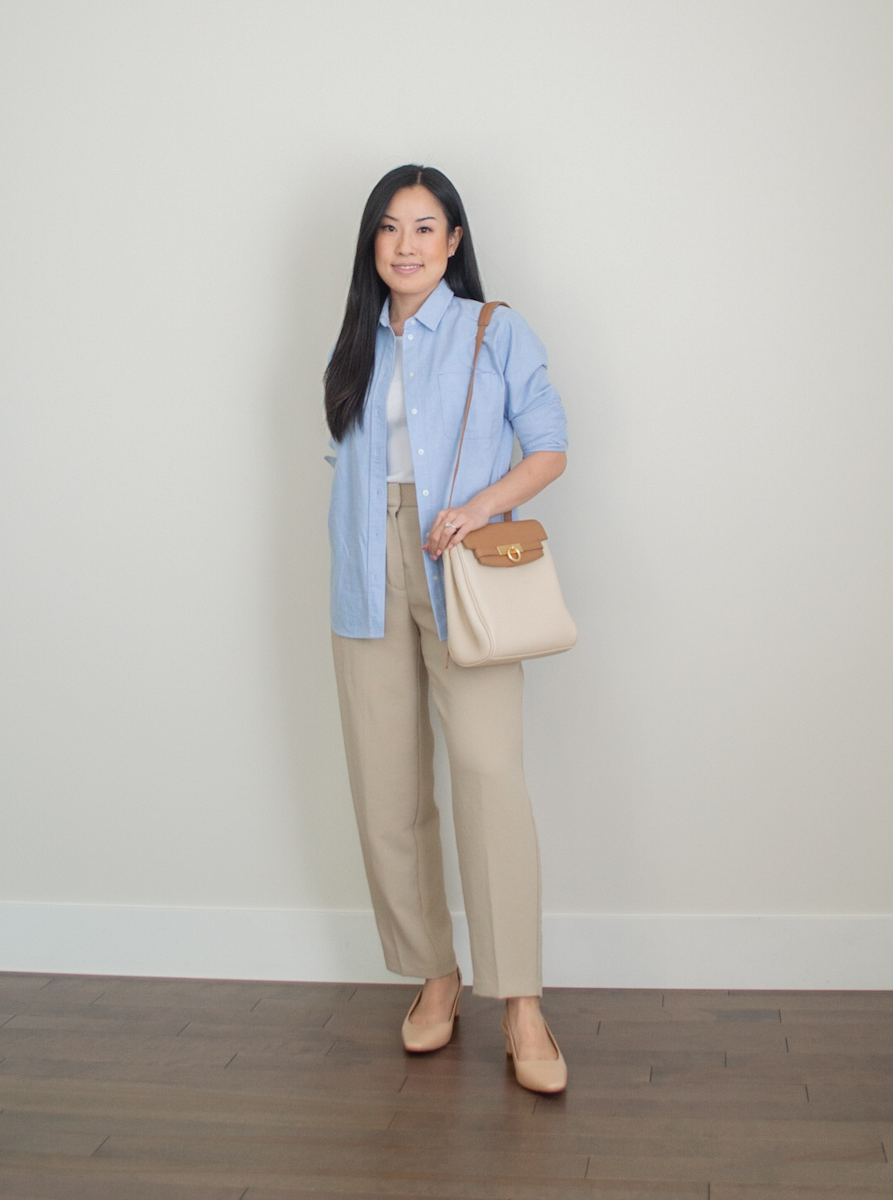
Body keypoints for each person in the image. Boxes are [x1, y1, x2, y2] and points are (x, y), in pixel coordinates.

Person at [324, 165, 568, 1093]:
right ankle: (435, 978)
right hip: (364, 570)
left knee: (488, 778)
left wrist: (477, 505)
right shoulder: (358, 340)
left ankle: (523, 1004)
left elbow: (549, 443)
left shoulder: (491, 329)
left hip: (459, 561)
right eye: (390, 228)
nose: (407, 245)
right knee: (387, 790)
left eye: (426, 227)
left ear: (455, 240)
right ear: (372, 243)